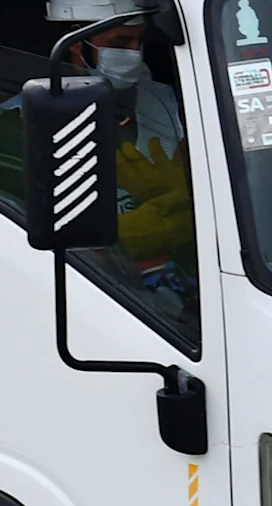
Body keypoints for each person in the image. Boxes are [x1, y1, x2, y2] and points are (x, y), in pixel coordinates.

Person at [68, 19, 198, 304]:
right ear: (76, 41)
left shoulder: (174, 105)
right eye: (120, 43)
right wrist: (126, 237)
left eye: (141, 41)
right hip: (97, 299)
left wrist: (186, 208)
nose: (134, 54)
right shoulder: (20, 121)